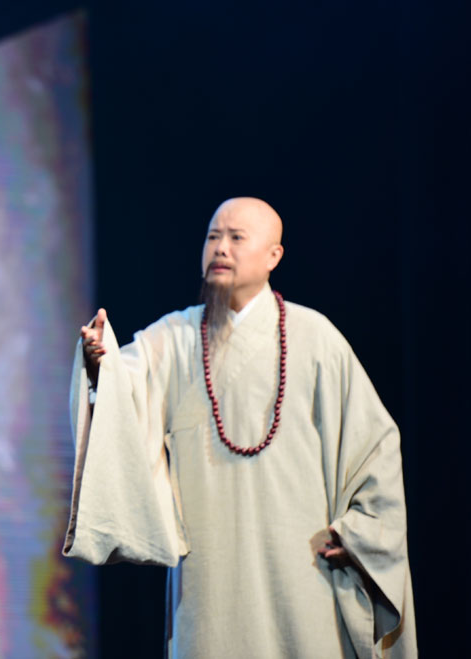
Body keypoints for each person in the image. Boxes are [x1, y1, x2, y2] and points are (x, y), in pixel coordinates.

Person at [65, 197, 415, 657]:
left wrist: (363, 532)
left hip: (301, 570)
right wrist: (98, 365)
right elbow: (121, 389)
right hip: (211, 582)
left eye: (235, 238)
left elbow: (376, 445)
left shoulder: (315, 339)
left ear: (274, 256)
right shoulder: (174, 339)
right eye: (213, 237)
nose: (220, 249)